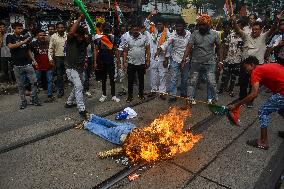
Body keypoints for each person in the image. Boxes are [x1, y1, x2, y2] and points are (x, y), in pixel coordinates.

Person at [228, 56, 284, 150]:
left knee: (263, 111)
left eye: (246, 68)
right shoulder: (264, 67)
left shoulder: (256, 71)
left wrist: (235, 105)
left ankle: (263, 141)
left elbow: (254, 94)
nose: (246, 71)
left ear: (252, 65)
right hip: (281, 91)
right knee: (281, 110)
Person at [231, 12, 282, 107]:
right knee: (243, 82)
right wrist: (233, 21)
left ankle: (250, 101)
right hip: (245, 65)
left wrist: (277, 20)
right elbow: (237, 30)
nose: (254, 31)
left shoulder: (264, 36)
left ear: (261, 30)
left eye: (257, 29)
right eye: (253, 29)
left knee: (253, 85)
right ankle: (242, 99)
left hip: (258, 67)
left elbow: (272, 29)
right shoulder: (246, 35)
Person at [182, 14, 222, 105]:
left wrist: (220, 61)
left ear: (209, 25)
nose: (201, 27)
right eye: (200, 25)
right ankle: (190, 98)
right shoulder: (194, 34)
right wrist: (184, 59)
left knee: (211, 81)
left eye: (204, 25)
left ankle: (210, 99)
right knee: (192, 81)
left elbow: (219, 48)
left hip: (210, 63)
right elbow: (189, 47)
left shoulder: (215, 34)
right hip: (196, 62)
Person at [6, 22, 41, 109]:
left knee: (34, 82)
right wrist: (23, 42)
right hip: (17, 65)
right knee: (20, 85)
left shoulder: (24, 37)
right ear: (13, 29)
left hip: (28, 64)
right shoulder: (10, 37)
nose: (21, 30)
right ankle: (23, 102)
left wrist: (34, 60)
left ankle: (34, 99)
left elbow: (28, 50)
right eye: (19, 28)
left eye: (21, 28)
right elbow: (10, 46)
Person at [158, 19, 191, 103]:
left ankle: (183, 94)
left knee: (185, 78)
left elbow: (190, 47)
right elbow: (167, 43)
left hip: (185, 59)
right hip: (175, 58)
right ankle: (173, 95)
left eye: (180, 26)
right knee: (173, 78)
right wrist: (160, 48)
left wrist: (185, 59)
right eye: (177, 27)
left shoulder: (189, 34)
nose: (178, 28)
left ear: (184, 27)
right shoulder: (173, 34)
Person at [64, 14, 90, 120]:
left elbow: (90, 35)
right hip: (71, 68)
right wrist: (80, 17)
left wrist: (87, 22)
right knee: (79, 87)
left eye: (82, 36)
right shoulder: (71, 40)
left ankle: (69, 102)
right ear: (75, 35)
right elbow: (71, 32)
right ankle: (82, 109)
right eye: (78, 36)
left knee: (79, 85)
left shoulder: (85, 40)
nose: (80, 38)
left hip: (80, 68)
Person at [144, 10, 170, 100]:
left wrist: (166, 59)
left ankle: (162, 92)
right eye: (157, 24)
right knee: (153, 75)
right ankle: (153, 90)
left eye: (160, 24)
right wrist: (150, 14)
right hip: (153, 58)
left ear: (164, 25)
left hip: (162, 58)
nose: (159, 26)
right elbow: (145, 24)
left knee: (163, 76)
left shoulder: (167, 34)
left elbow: (169, 47)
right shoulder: (153, 31)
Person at [123, 21, 150, 103]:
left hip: (141, 63)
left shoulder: (144, 38)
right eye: (133, 30)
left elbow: (148, 50)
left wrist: (148, 60)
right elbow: (125, 51)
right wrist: (125, 61)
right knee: (130, 80)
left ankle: (141, 94)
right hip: (131, 63)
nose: (135, 31)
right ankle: (130, 96)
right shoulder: (128, 39)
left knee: (141, 80)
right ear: (131, 30)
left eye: (136, 30)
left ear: (139, 30)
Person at [94, 22, 120, 103]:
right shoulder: (98, 38)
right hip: (101, 61)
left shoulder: (113, 38)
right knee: (103, 79)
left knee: (112, 79)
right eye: (105, 29)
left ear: (110, 30)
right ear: (102, 29)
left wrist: (118, 60)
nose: (106, 31)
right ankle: (104, 95)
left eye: (107, 30)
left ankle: (113, 95)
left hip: (110, 61)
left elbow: (115, 49)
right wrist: (95, 61)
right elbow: (95, 50)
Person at [219, 20, 245, 97]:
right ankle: (221, 89)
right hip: (228, 59)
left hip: (238, 60)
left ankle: (231, 90)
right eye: (236, 25)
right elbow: (225, 47)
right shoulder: (230, 35)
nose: (237, 27)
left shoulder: (244, 36)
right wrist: (223, 59)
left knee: (234, 77)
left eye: (239, 25)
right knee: (224, 75)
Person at [30, 29, 54, 102]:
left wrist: (53, 61)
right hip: (38, 66)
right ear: (37, 36)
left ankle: (50, 95)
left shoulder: (48, 43)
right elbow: (29, 52)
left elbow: (52, 52)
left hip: (48, 65)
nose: (42, 36)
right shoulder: (33, 43)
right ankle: (34, 96)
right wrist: (33, 61)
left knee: (50, 81)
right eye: (40, 35)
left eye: (44, 35)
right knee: (36, 81)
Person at [48, 22, 67, 98]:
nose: (60, 29)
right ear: (56, 29)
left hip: (67, 58)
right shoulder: (53, 36)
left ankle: (75, 90)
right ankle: (61, 91)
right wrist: (50, 58)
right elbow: (50, 49)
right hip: (58, 58)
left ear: (64, 28)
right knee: (59, 76)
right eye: (59, 28)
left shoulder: (68, 35)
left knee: (70, 74)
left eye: (62, 27)